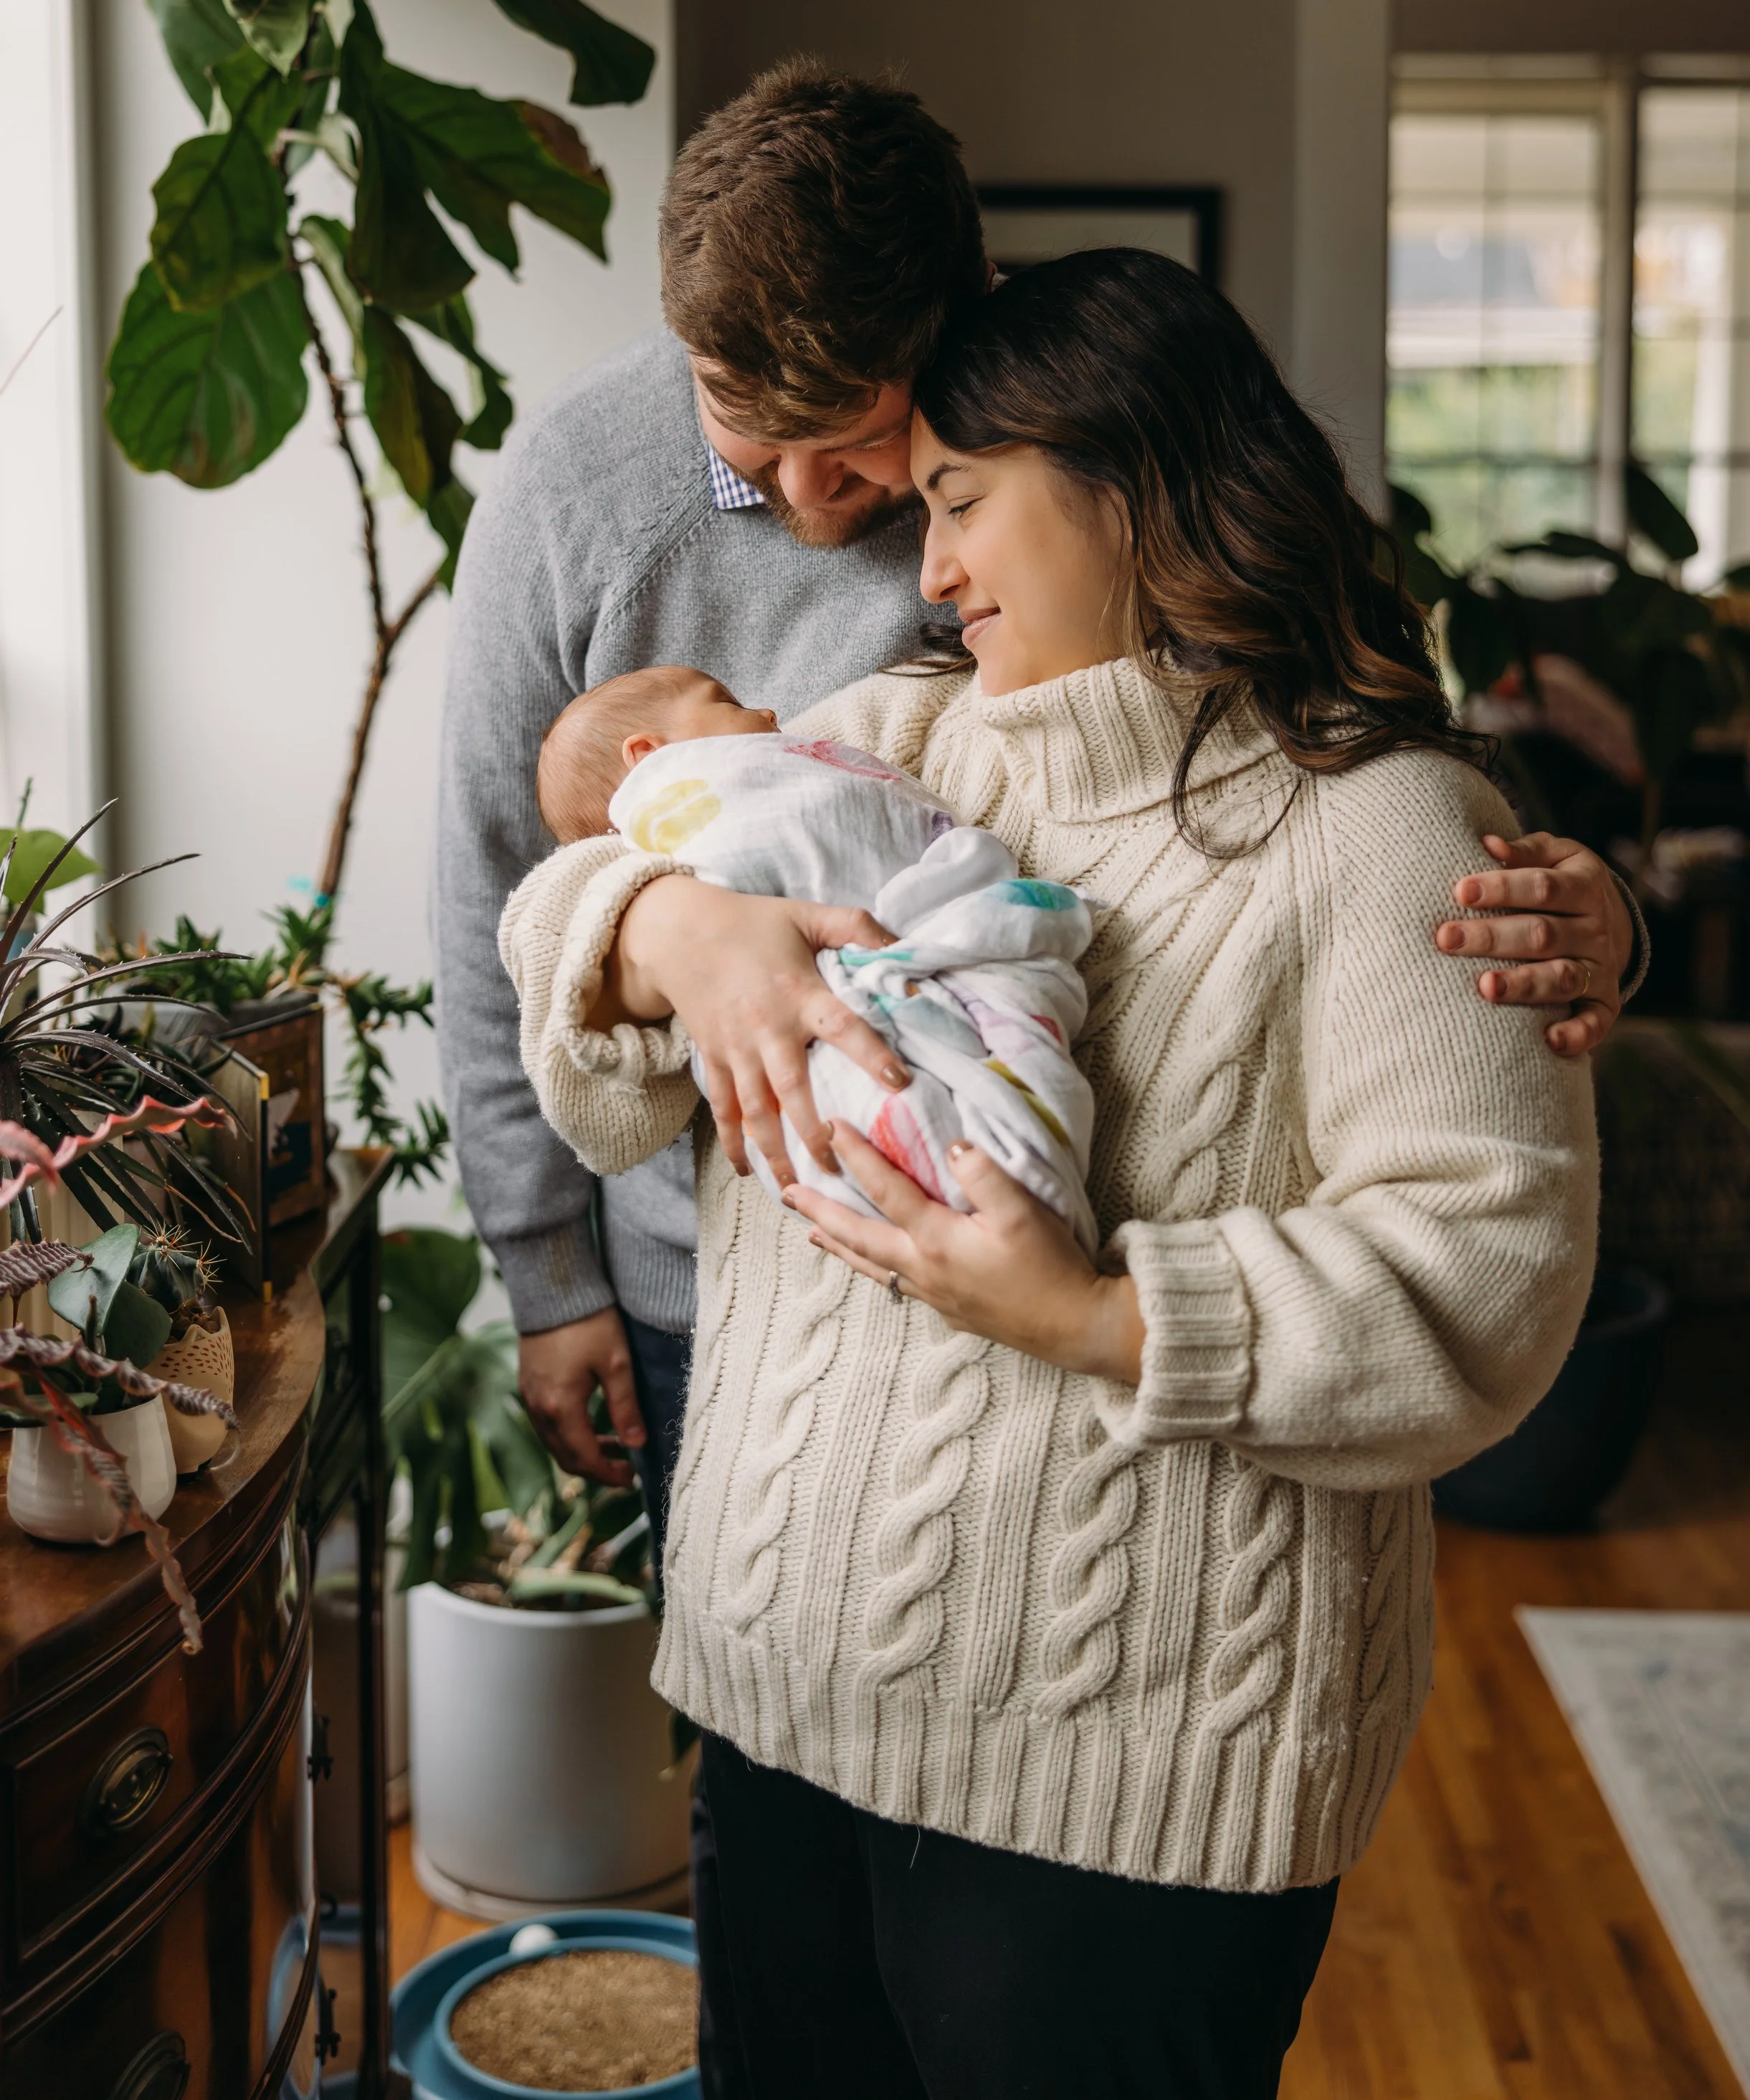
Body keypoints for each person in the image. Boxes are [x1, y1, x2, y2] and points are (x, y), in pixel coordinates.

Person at [499, 249, 1602, 2098]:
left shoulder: (1382, 823)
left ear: (1129, 477)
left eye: (955, 500)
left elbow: (1488, 1282)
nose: (923, 569)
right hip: (779, 1706)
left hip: (1124, 1788)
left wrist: (1099, 1314)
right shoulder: (890, 737)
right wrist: (665, 919)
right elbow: (572, 944)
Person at [437, 62, 1640, 1525]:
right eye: (751, 433)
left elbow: (1344, 739)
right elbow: (501, 878)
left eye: (867, 448)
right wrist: (647, 967)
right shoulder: (578, 482)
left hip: (1050, 1289)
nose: (823, 500)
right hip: (715, 1270)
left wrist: (1580, 908)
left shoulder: (1051, 448)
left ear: (957, 326)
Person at [530, 662, 1099, 1243]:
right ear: (649, 756)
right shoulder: (661, 838)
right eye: (726, 699)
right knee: (857, 1113)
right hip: (811, 1023)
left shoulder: (843, 739)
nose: (768, 715)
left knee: (1014, 1072)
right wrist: (666, 926)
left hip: (916, 963)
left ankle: (1027, 1212)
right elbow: (553, 935)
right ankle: (1006, 1213)